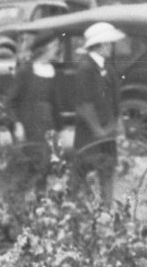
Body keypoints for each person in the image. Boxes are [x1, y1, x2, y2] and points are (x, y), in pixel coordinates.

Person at [68, 21, 125, 204]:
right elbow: (84, 104)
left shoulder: (108, 68)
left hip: (107, 134)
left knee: (107, 171)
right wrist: (97, 129)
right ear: (98, 45)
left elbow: (116, 99)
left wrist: (118, 122)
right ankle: (74, 210)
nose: (110, 47)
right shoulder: (86, 68)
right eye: (107, 43)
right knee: (82, 172)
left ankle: (106, 210)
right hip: (90, 134)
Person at [7, 33, 63, 200]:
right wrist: (16, 123)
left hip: (47, 124)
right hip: (29, 123)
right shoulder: (26, 71)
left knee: (45, 165)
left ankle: (40, 202)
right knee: (31, 164)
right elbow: (10, 101)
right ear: (44, 49)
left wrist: (60, 129)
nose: (56, 50)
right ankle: (16, 199)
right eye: (54, 46)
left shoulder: (52, 71)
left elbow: (55, 104)